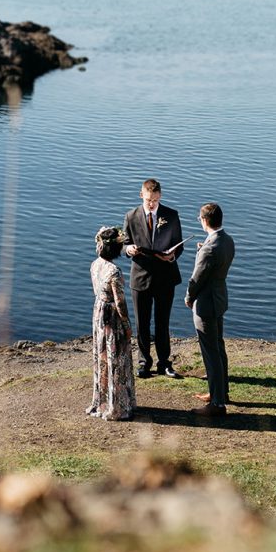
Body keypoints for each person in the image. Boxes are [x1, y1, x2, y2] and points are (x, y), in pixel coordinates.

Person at [123, 178, 185, 379]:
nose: (152, 204)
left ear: (160, 197)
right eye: (149, 200)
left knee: (162, 322)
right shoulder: (131, 216)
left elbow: (179, 244)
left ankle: (164, 363)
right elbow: (124, 243)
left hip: (165, 277)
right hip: (140, 278)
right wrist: (128, 249)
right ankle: (143, 362)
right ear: (142, 195)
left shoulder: (171, 215)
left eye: (156, 200)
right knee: (142, 323)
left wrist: (172, 255)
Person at [185, 202, 235, 418]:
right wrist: (202, 251)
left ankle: (217, 403)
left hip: (206, 303)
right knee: (219, 346)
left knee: (210, 351)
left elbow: (196, 279)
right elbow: (214, 264)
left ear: (205, 221)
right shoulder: (226, 240)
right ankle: (221, 392)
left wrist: (189, 297)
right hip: (220, 298)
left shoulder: (209, 249)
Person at [86, 225, 136, 421]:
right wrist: (127, 325)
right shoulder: (114, 272)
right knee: (116, 359)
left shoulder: (95, 265)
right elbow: (120, 302)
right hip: (112, 317)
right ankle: (117, 405)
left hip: (99, 312)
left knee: (101, 357)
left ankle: (101, 400)